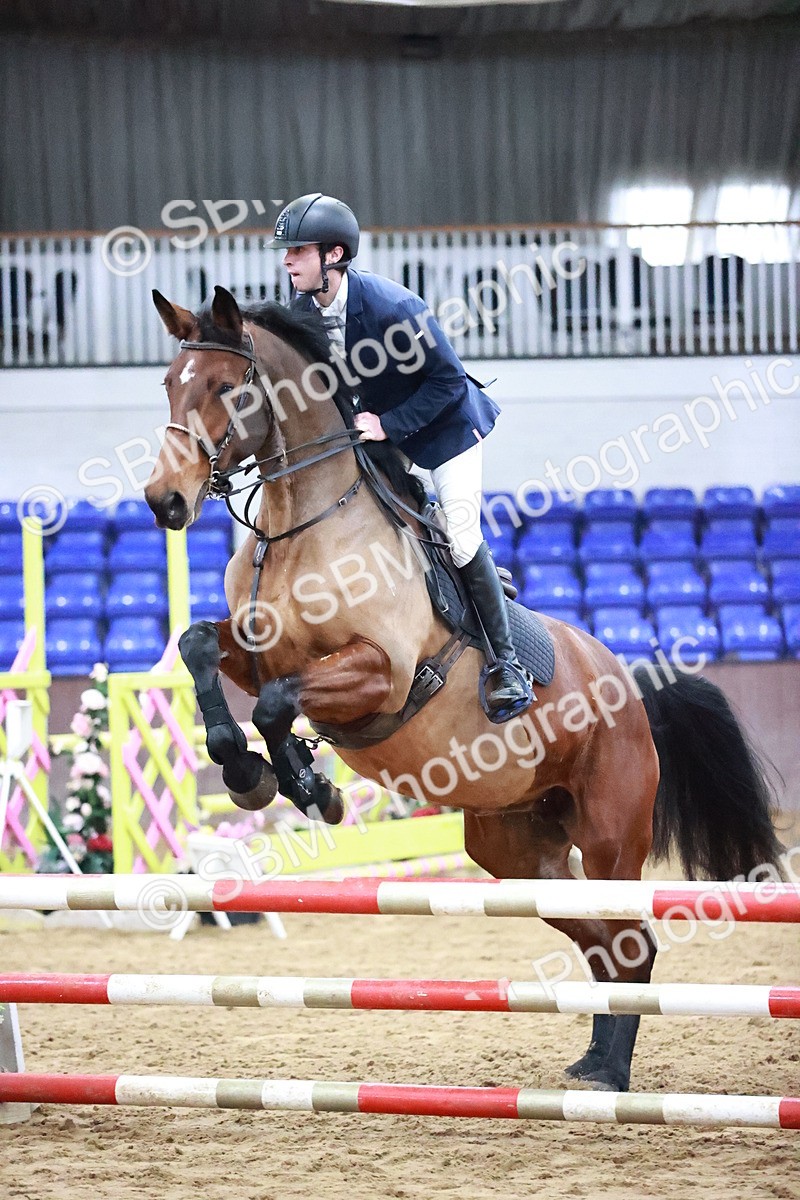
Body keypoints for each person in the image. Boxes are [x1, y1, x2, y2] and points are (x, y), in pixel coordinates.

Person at [267, 192, 534, 722]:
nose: (287, 261)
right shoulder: (302, 312)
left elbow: (448, 380)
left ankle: (507, 665)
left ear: (334, 256)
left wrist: (388, 426)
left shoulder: (393, 308)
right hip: (378, 427)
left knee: (462, 537)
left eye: (298, 250)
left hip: (446, 426)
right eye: (287, 252)